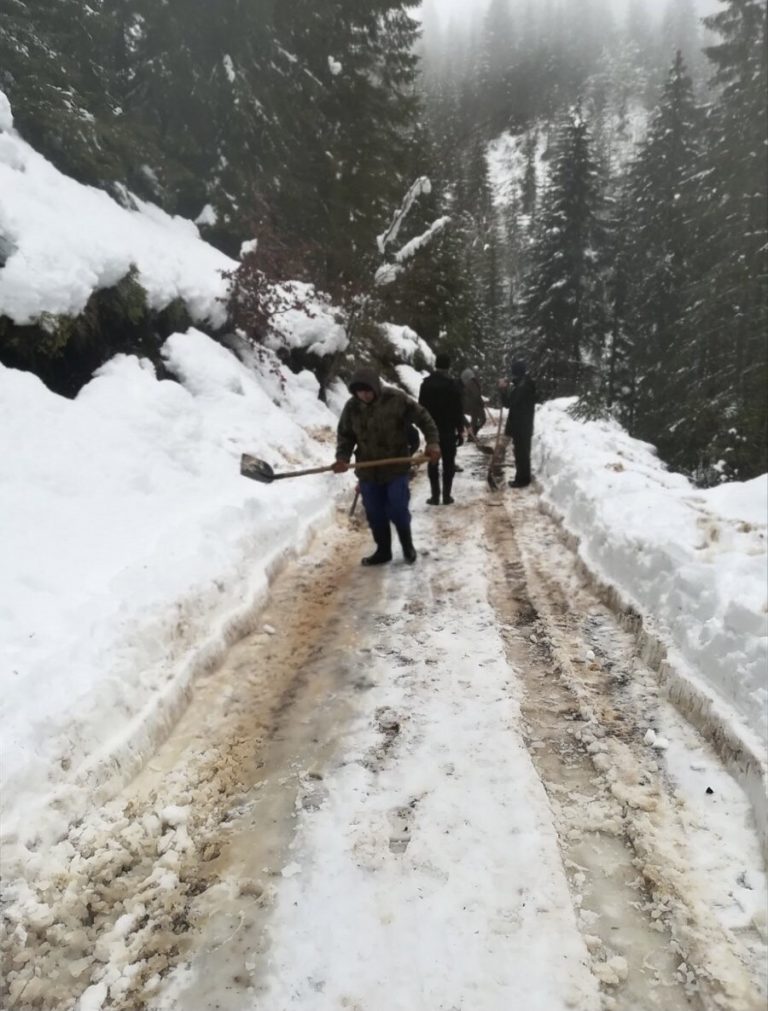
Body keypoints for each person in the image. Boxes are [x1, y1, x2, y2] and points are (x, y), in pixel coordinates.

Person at [334, 367, 441, 565]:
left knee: (398, 509)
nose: (363, 395)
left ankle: (407, 545)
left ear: (375, 387)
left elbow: (424, 419)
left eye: (367, 391)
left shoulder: (396, 399)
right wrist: (342, 458)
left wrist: (432, 443)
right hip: (368, 470)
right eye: (359, 392)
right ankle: (383, 551)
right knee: (374, 512)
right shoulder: (352, 407)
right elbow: (345, 436)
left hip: (396, 468)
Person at [418, 353, 466, 505]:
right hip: (448, 429)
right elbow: (458, 410)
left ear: (436, 365)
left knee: (433, 461)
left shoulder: (425, 385)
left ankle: (434, 496)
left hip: (431, 430)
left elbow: (421, 409)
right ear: (448, 367)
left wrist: (424, 429)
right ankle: (446, 496)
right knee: (448, 463)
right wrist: (460, 430)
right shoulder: (452, 386)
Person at [498, 360, 536, 488]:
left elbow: (510, 403)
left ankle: (523, 479)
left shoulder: (523, 386)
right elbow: (511, 403)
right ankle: (522, 477)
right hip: (521, 424)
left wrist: (503, 390)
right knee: (521, 453)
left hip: (521, 425)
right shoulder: (523, 383)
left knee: (522, 454)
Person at [460, 367, 487, 440]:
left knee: (474, 420)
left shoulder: (466, 384)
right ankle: (472, 435)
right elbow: (476, 395)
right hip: (475, 405)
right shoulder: (472, 383)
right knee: (482, 419)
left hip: (471, 404)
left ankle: (471, 435)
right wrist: (481, 402)